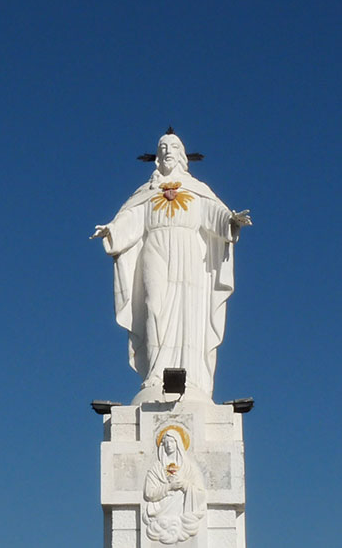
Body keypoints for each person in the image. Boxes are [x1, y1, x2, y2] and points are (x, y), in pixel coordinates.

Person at [91, 130, 251, 402]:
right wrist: (112, 230)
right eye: (162, 146)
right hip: (155, 247)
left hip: (188, 252)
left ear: (181, 154)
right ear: (157, 156)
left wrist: (229, 220)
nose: (167, 150)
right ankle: (154, 373)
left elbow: (214, 213)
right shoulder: (146, 192)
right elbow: (131, 218)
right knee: (154, 305)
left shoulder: (196, 189)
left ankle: (192, 378)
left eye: (173, 146)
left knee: (188, 310)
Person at [141, 426, 206, 544]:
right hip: (161, 512)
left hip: (183, 513)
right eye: (166, 442)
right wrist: (169, 487)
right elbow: (149, 493)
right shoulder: (157, 468)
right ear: (162, 445)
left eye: (172, 441)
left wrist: (184, 485)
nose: (169, 445)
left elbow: (200, 491)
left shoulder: (188, 467)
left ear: (178, 443)